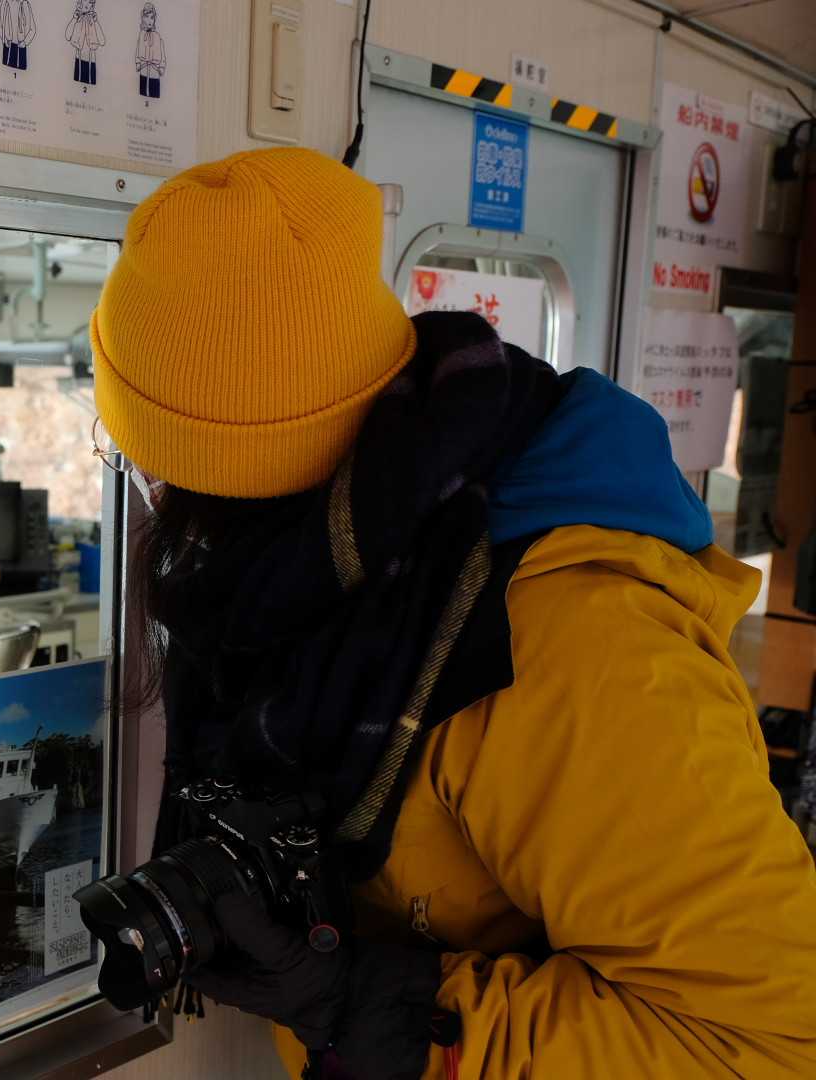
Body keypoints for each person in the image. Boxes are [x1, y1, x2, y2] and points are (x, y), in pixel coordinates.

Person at [89, 146, 816, 1077]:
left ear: (214, 478)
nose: (147, 496)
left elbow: (767, 1042)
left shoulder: (570, 650)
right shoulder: (307, 603)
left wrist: (379, 1012)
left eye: (139, 460)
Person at [65, 0, 104, 90]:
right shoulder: (78, 19)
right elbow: (67, 36)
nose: (86, 4)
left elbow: (102, 41)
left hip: (91, 59)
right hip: (79, 57)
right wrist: (74, 18)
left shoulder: (93, 20)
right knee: (77, 82)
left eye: (90, 2)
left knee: (90, 82)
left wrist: (96, 21)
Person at [133, 3, 165, 102]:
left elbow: (162, 57)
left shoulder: (157, 36)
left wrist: (160, 68)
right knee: (142, 96)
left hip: (154, 74)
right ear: (143, 18)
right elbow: (137, 54)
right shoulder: (141, 35)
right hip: (143, 73)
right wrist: (139, 64)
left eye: (152, 17)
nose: (150, 20)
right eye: (147, 17)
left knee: (154, 98)